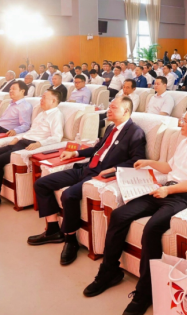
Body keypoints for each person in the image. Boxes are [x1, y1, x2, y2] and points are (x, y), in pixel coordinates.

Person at [84, 107, 187, 315]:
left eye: (184, 121)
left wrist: (168, 190)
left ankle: (144, 293)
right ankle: (108, 272)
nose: (180, 123)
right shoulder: (184, 142)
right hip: (166, 189)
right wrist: (149, 163)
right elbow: (170, 168)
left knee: (152, 228)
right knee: (119, 215)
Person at [30, 96, 146, 264]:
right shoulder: (111, 128)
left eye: (113, 107)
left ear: (126, 111)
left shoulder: (135, 132)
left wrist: (114, 169)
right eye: (109, 107)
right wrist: (75, 153)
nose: (109, 110)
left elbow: (137, 160)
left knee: (69, 195)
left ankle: (71, 240)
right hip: (87, 168)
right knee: (41, 183)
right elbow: (97, 149)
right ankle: (53, 230)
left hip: (99, 176)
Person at [0, 90, 65, 212]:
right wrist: (17, 138)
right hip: (21, 141)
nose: (41, 100)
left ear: (53, 100)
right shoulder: (41, 114)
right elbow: (31, 131)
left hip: (31, 145)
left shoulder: (56, 115)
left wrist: (39, 144)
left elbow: (57, 137)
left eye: (44, 97)